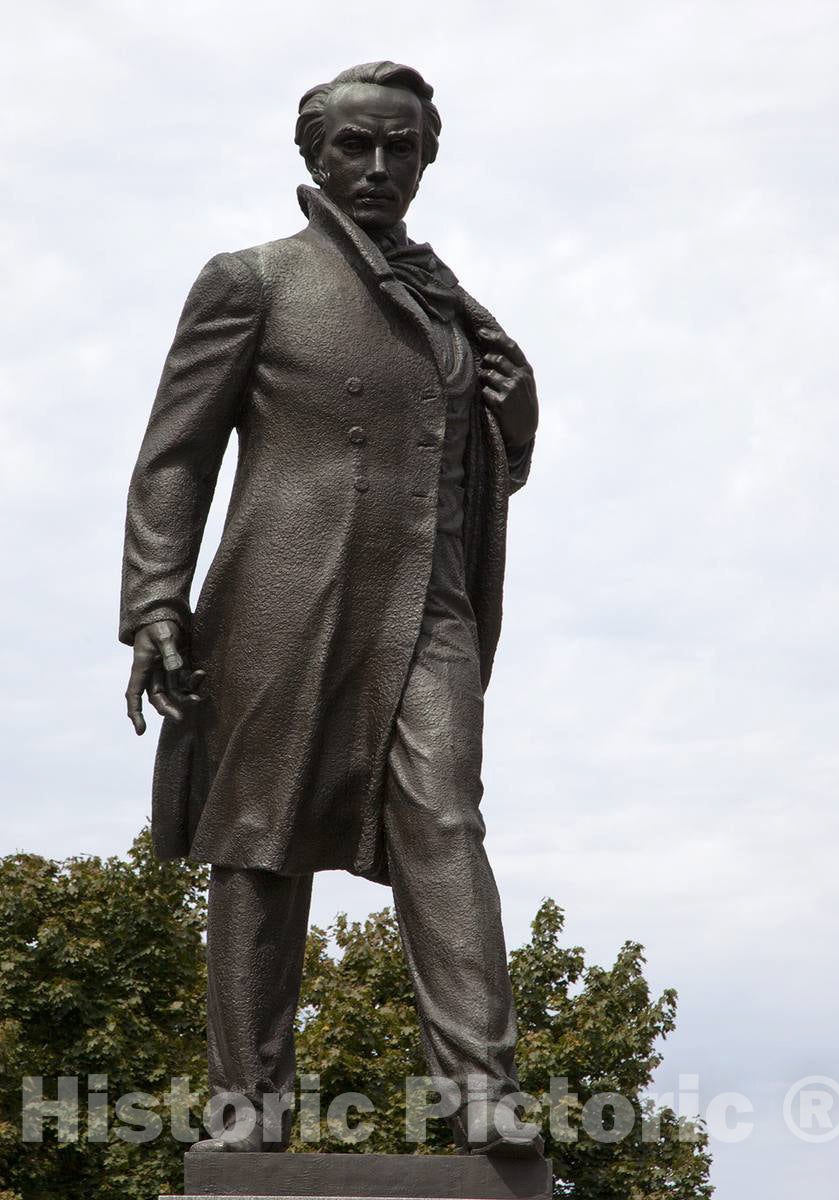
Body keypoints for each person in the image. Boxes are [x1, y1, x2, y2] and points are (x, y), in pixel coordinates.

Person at [120, 61, 539, 1156]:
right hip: (283, 594)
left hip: (425, 606)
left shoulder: (452, 310)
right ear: (314, 154)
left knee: (446, 817)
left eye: (401, 148)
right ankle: (248, 1100)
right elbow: (176, 458)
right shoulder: (250, 280)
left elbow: (481, 465)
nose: (379, 167)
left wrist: (517, 412)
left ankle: (479, 1089)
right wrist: (155, 599)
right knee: (259, 841)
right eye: (356, 145)